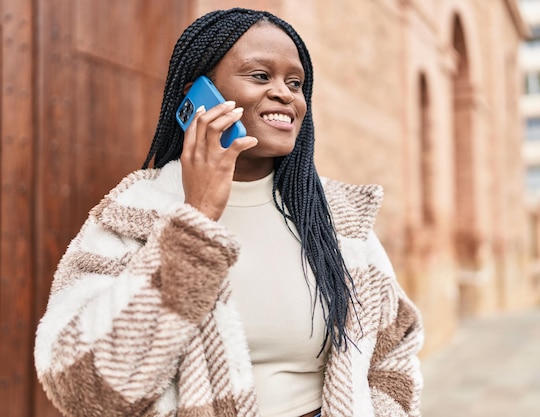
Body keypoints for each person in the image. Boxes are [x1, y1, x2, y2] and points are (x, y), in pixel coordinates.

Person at [34, 8, 424, 417]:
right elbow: (81, 387)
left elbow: (394, 347)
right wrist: (196, 220)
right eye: (260, 76)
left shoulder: (336, 216)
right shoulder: (136, 211)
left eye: (296, 83)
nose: (285, 94)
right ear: (197, 93)